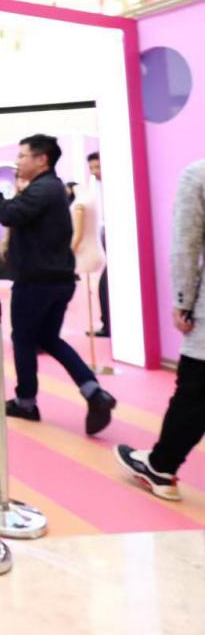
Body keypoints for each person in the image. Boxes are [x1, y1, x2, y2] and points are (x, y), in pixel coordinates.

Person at [0, 135, 117, 434]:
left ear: (42, 159)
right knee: (49, 338)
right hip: (56, 280)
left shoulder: (44, 189)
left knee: (23, 339)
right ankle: (93, 391)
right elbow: (14, 213)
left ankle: (26, 402)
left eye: (22, 155)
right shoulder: (49, 188)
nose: (18, 161)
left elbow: (9, 214)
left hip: (37, 282)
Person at [115, 159, 205, 500]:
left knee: (195, 392)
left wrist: (183, 300)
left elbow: (186, 245)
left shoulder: (198, 174)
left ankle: (161, 466)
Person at [87, 151, 111, 337]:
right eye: (92, 168)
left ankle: (108, 325)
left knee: (105, 285)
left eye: (98, 167)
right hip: (104, 236)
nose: (95, 172)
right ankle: (108, 324)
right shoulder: (96, 188)